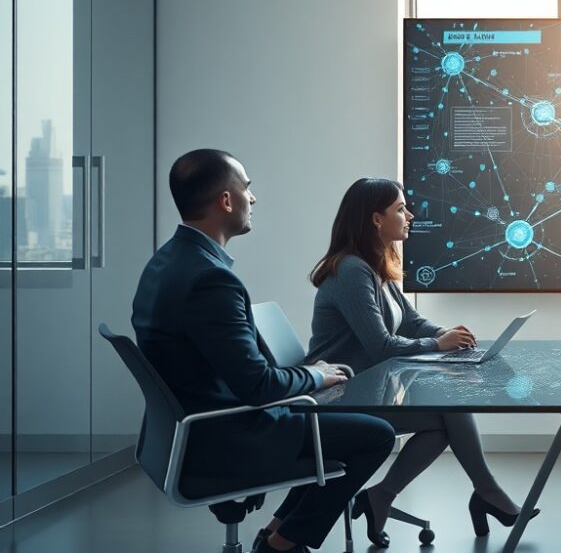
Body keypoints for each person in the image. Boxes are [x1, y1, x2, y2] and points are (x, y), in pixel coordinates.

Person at [131, 150, 396, 553]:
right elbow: (257, 385)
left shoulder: (167, 261)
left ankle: (278, 531)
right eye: (247, 188)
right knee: (376, 436)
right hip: (227, 435)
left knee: (336, 422)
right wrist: (317, 374)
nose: (252, 199)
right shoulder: (211, 279)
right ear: (225, 200)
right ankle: (282, 546)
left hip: (188, 429)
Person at [305, 177, 532, 546]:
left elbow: (410, 320)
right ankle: (485, 492)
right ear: (376, 219)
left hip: (366, 391)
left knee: (445, 419)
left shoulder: (375, 264)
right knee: (449, 413)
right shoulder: (352, 270)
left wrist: (448, 336)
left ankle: (386, 495)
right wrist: (437, 343)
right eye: (400, 209)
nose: (410, 215)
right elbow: (380, 346)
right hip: (339, 398)